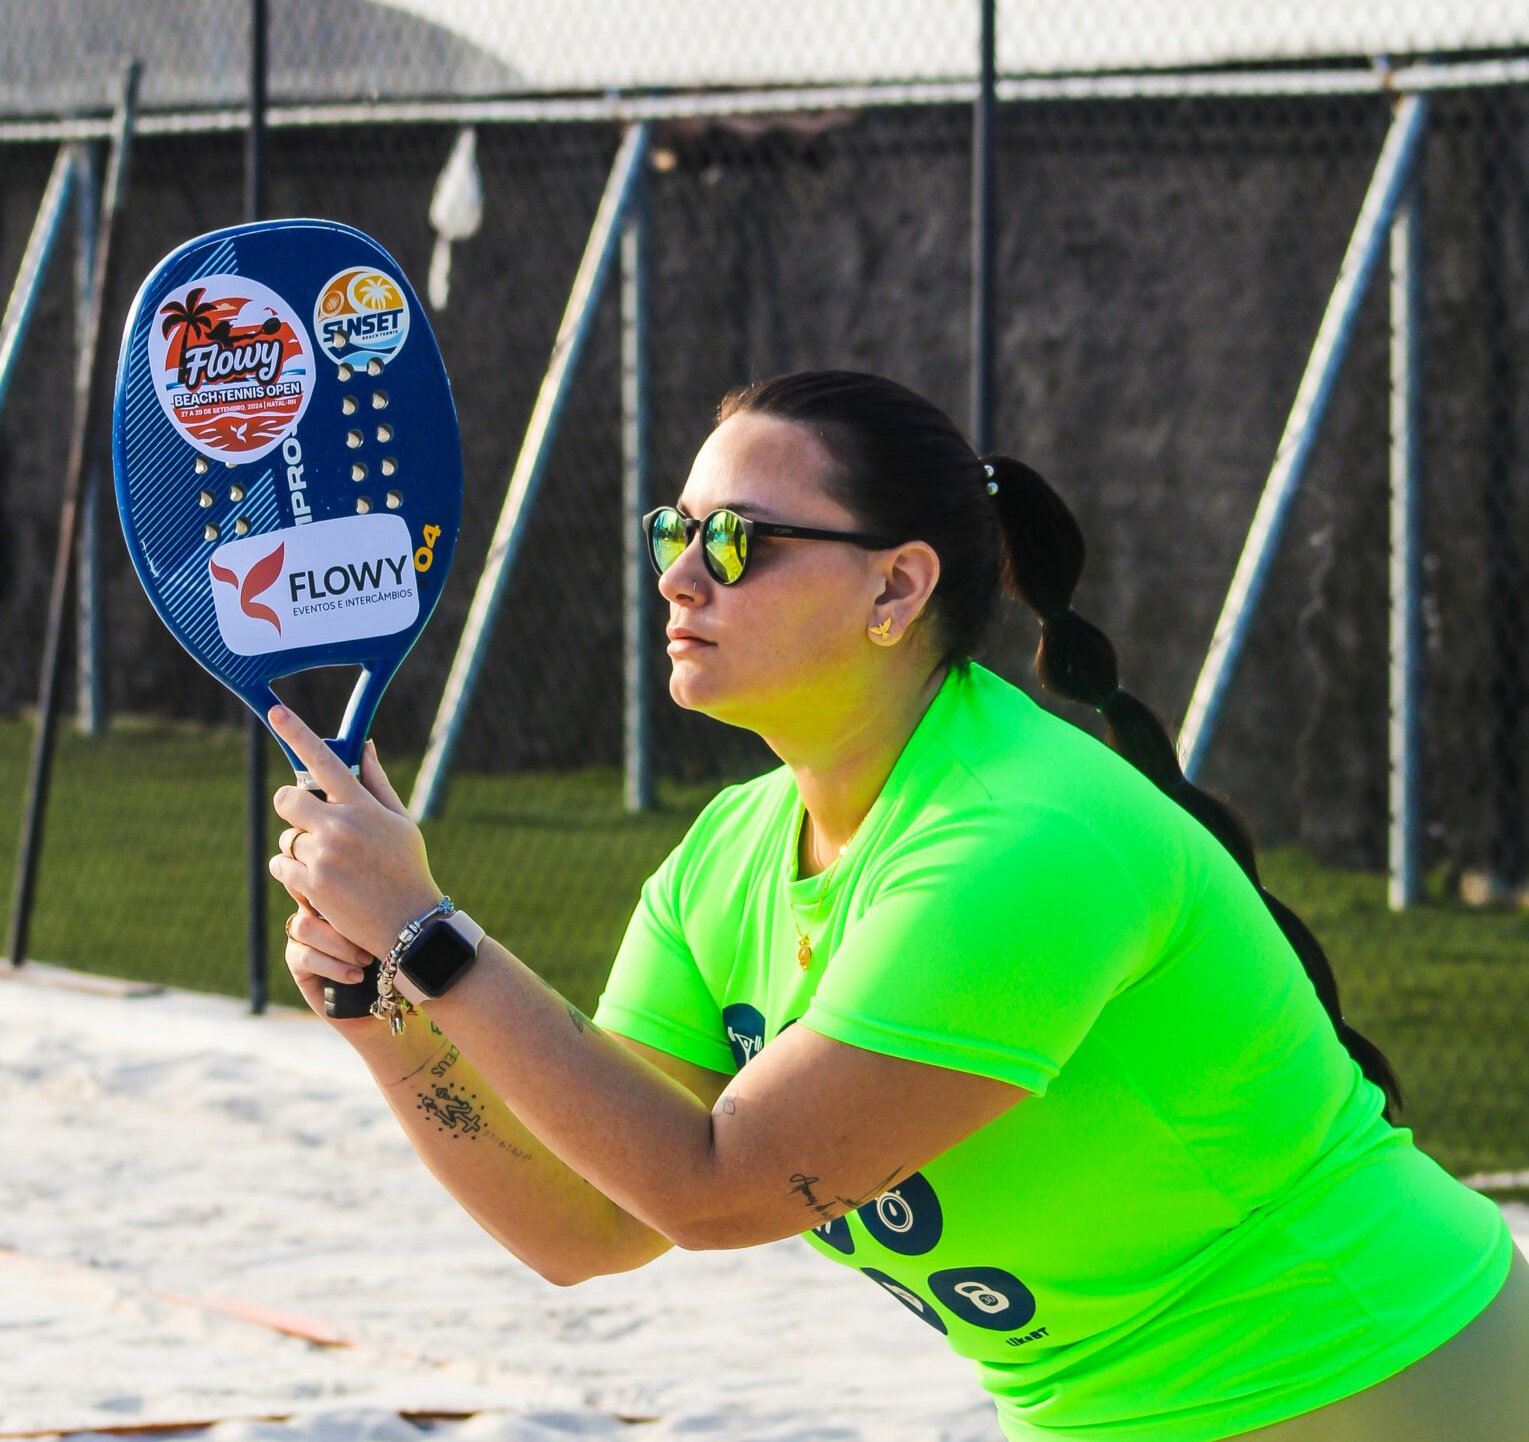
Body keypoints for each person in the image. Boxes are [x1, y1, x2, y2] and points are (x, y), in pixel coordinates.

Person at [267, 369, 1529, 1442]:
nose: (682, 577)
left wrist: (431, 937)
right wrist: (381, 1007)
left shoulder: (1020, 840)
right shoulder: (730, 855)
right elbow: (590, 1220)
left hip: (1378, 1379)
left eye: (738, 541)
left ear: (897, 589)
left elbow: (721, 1188)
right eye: (675, 531)